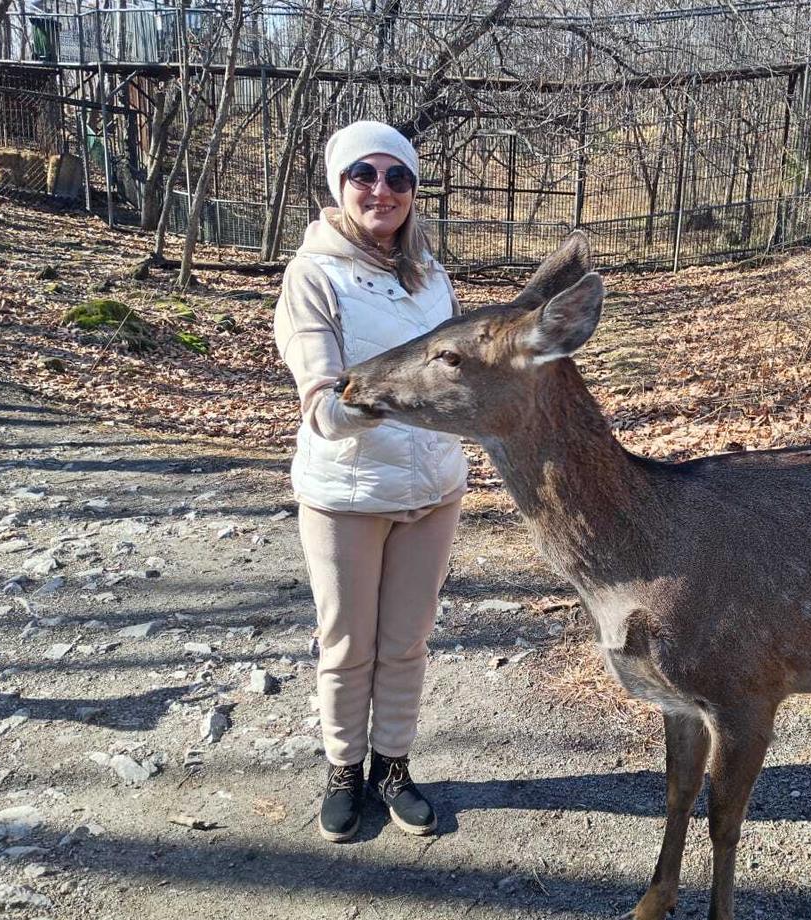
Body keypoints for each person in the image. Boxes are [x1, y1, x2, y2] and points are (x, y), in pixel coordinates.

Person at [273, 121, 467, 842]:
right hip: (346, 493)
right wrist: (395, 395)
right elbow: (322, 407)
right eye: (364, 174)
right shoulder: (312, 275)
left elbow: (459, 379)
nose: (381, 189)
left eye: (398, 177)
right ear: (338, 185)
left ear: (413, 191)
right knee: (347, 643)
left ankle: (392, 765)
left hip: (434, 489)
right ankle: (344, 769)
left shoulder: (431, 274)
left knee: (408, 641)